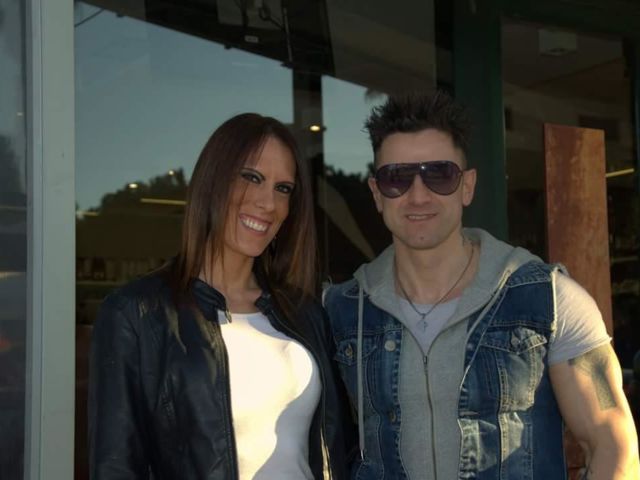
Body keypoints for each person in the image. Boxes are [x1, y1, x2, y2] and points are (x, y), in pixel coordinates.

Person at [323, 92, 640, 479]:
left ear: (467, 186)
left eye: (439, 175)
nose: (418, 195)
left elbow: (613, 444)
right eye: (397, 178)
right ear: (376, 193)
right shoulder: (343, 309)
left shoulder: (550, 298)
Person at [89, 113, 349, 479]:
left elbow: (337, 448)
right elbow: (116, 466)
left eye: (283, 188)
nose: (268, 202)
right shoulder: (137, 313)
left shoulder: (305, 313)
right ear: (213, 181)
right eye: (251, 177)